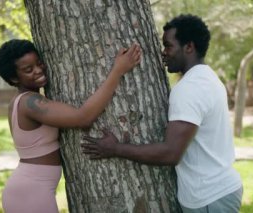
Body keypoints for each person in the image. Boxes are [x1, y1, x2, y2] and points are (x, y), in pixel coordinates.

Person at [82, 14, 243, 213]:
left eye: (168, 46)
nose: (163, 53)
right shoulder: (208, 78)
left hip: (209, 197)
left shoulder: (190, 88)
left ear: (189, 47)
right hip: (216, 191)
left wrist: (115, 149)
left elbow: (171, 153)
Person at [0, 39, 141, 213]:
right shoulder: (29, 102)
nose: (39, 70)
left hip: (29, 189)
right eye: (28, 70)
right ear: (13, 78)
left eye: (39, 63)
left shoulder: (23, 101)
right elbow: (83, 118)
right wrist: (117, 71)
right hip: (30, 192)